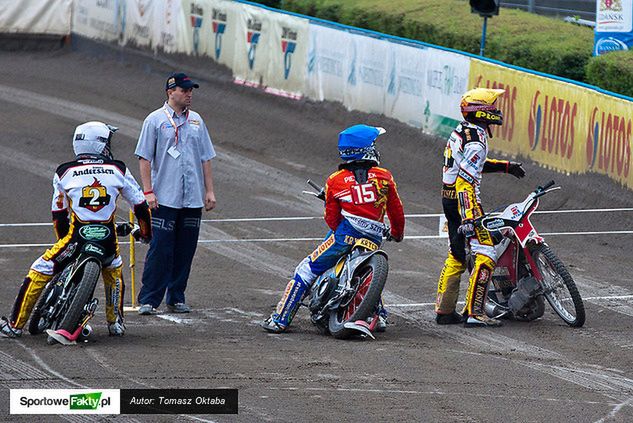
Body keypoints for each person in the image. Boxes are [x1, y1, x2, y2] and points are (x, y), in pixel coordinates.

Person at [0, 121, 152, 339]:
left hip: (76, 239)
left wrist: (63, 242)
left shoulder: (64, 172)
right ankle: (115, 322)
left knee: (39, 270)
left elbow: (58, 215)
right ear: (99, 145)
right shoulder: (118, 169)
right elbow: (140, 206)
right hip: (108, 239)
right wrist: (146, 234)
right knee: (115, 272)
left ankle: (15, 326)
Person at [261, 124, 405, 333]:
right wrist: (397, 234)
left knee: (306, 269)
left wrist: (341, 233)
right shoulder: (385, 177)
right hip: (374, 239)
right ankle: (379, 316)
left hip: (344, 236)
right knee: (369, 271)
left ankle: (280, 319)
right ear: (365, 149)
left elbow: (331, 218)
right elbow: (396, 211)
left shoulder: (335, 181)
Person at [435, 88, 526, 327]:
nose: (497, 111)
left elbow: (470, 165)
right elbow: (465, 180)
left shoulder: (463, 130)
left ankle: (444, 311)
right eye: (492, 108)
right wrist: (469, 217)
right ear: (481, 112)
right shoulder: (476, 141)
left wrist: (506, 167)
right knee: (486, 254)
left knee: (457, 254)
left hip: (449, 199)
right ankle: (475, 313)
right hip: (465, 202)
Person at [135, 72, 216, 315]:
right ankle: (149, 299)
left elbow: (206, 157)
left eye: (191, 90)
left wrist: (209, 191)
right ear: (171, 92)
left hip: (191, 198)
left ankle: (176, 296)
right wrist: (148, 191)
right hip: (164, 198)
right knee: (161, 249)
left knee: (185, 249)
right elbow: (144, 157)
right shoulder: (155, 120)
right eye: (185, 90)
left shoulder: (197, 121)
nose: (189, 94)